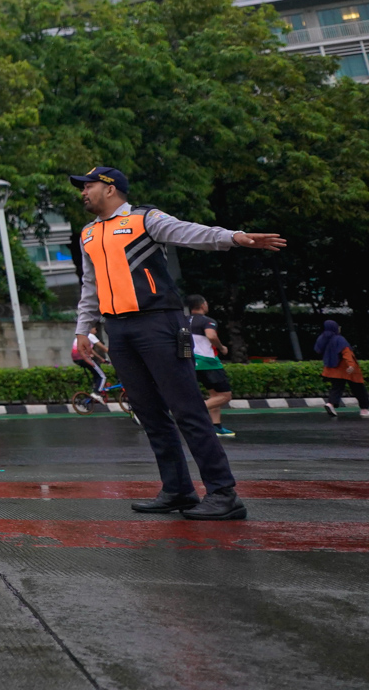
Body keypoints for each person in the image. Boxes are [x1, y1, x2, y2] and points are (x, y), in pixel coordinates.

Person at [70, 165, 285, 521]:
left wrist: (234, 237)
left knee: (188, 409)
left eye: (88, 186)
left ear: (110, 189)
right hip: (117, 331)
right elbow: (89, 286)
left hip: (161, 323)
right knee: (149, 413)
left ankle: (224, 493)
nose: (83, 192)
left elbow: (190, 232)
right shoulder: (88, 234)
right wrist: (83, 329)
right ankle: (178, 490)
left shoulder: (144, 219)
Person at [186, 296, 235, 438]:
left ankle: (216, 426)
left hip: (190, 361)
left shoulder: (183, 321)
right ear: (202, 305)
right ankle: (193, 412)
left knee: (214, 395)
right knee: (225, 396)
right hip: (208, 362)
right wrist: (222, 347)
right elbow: (211, 335)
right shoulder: (207, 321)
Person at [315, 320, 368, 418]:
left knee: (336, 388)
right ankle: (364, 409)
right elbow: (346, 352)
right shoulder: (339, 339)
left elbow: (318, 350)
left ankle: (330, 404)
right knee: (358, 388)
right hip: (346, 369)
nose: (339, 328)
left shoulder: (322, 338)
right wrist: (351, 365)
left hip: (332, 369)